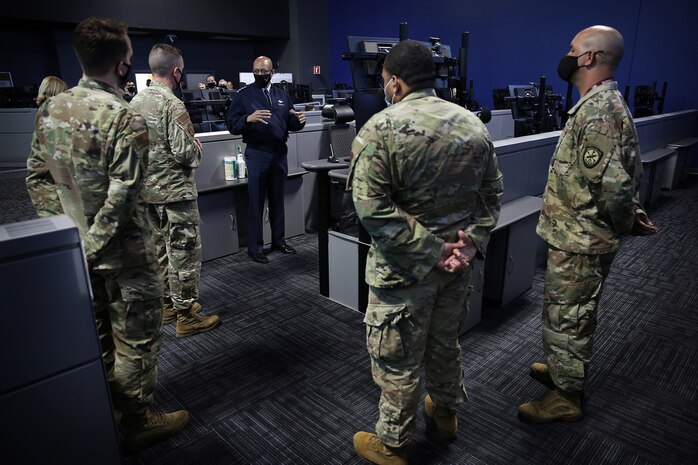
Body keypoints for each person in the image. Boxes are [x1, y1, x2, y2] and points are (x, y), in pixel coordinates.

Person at [25, 16, 189, 453]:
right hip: (127, 254)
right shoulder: (123, 116)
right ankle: (137, 421)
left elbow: (37, 178)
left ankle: (105, 410)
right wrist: (94, 243)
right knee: (136, 338)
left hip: (76, 252)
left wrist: (69, 237)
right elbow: (125, 192)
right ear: (122, 66)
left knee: (97, 334)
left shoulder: (50, 110)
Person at [348, 40, 503, 465]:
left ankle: (394, 444)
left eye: (384, 81)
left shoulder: (380, 128)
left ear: (394, 82)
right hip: (458, 267)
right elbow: (491, 193)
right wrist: (470, 243)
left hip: (402, 272)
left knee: (397, 357)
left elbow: (372, 209)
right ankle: (446, 413)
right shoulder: (473, 124)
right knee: (444, 343)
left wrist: (431, 250)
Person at [518, 25, 658, 423]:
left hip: (582, 240)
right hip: (577, 235)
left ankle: (567, 396)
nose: (567, 54)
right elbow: (617, 177)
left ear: (589, 58)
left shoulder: (599, 111)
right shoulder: (601, 105)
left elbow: (611, 188)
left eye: (572, 48)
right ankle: (564, 369)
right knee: (565, 312)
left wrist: (624, 220)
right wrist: (630, 214)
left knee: (570, 317)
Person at [130, 43, 221, 338]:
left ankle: (168, 306)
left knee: (160, 253)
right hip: (176, 196)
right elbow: (185, 154)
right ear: (177, 71)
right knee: (183, 254)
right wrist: (197, 148)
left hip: (147, 194)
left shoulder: (134, 103)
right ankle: (186, 316)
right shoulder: (172, 104)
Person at [226, 55, 306, 264]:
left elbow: (289, 122)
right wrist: (247, 119)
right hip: (257, 154)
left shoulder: (282, 94)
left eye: (264, 71)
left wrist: (299, 121)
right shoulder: (243, 95)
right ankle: (255, 248)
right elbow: (232, 124)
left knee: (278, 199)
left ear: (272, 73)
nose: (260, 74)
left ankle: (278, 241)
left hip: (279, 153)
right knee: (256, 202)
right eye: (257, 71)